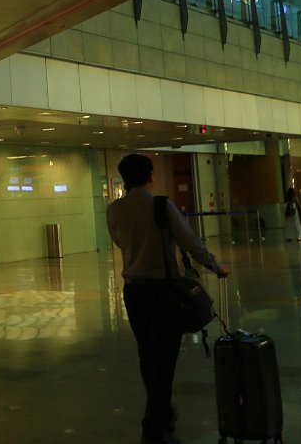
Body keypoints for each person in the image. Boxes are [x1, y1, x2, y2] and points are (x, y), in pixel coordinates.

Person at [107, 154, 230, 444]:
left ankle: (161, 411)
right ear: (150, 176)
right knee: (166, 357)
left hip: (134, 292)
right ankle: (153, 421)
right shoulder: (161, 206)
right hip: (164, 291)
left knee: (147, 354)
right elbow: (190, 242)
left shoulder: (115, 209)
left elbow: (119, 241)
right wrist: (215, 266)